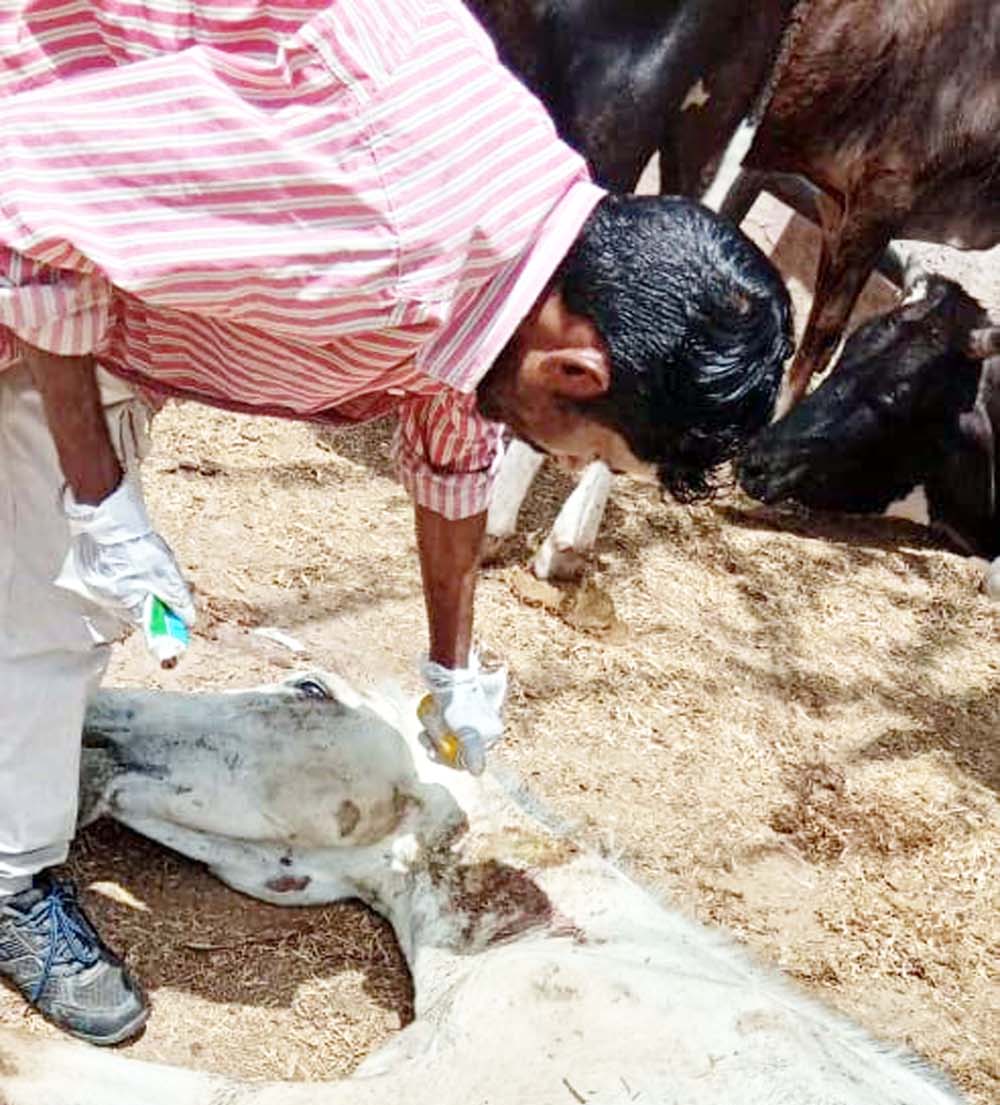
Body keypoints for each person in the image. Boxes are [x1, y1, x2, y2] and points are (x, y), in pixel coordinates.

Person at [0, 0, 792, 1045]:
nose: (562, 464)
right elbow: (36, 224)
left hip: (105, 280)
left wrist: (449, 666)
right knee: (57, 600)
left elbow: (450, 440)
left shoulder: (524, 259)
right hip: (33, 202)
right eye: (589, 450)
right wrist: (99, 500)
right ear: (574, 370)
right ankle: (10, 879)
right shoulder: (378, 226)